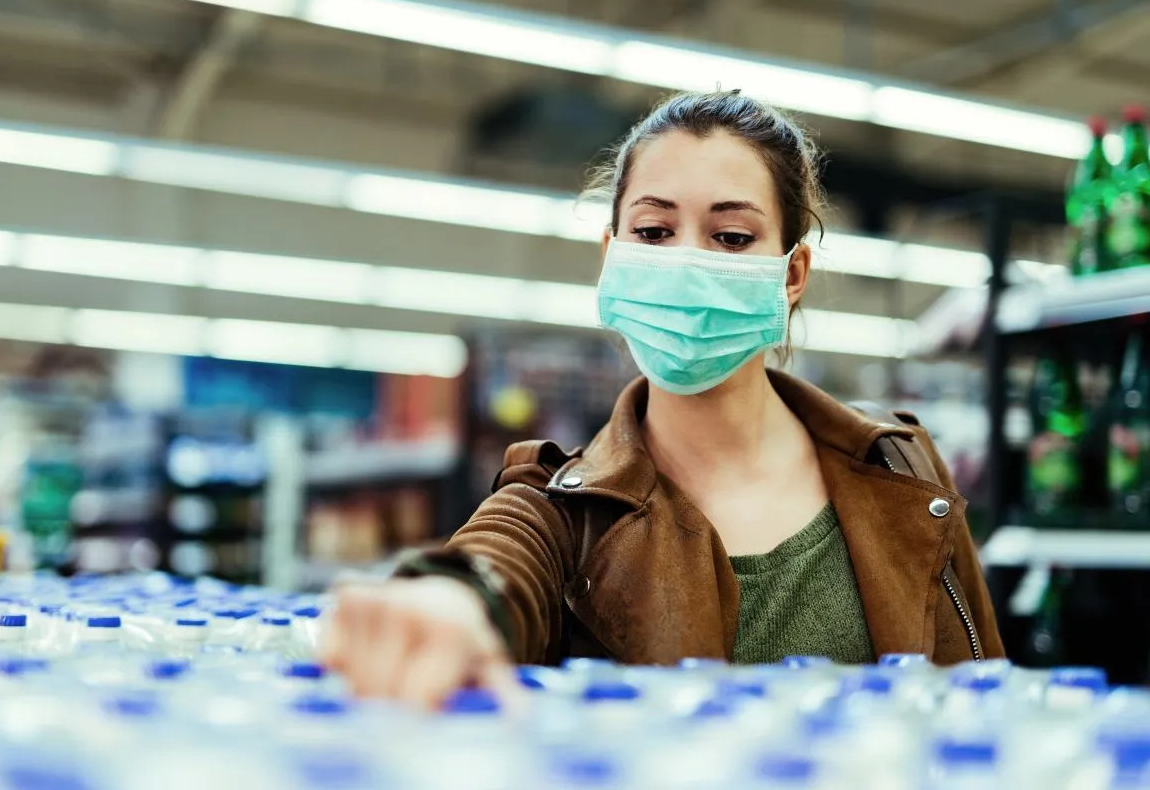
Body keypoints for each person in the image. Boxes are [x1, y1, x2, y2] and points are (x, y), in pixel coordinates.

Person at [321, 90, 1004, 707]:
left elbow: (982, 700)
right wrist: (449, 602)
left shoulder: (903, 473)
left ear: (792, 273)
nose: (686, 260)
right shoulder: (561, 512)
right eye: (652, 232)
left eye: (731, 237)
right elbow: (493, 563)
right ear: (611, 254)